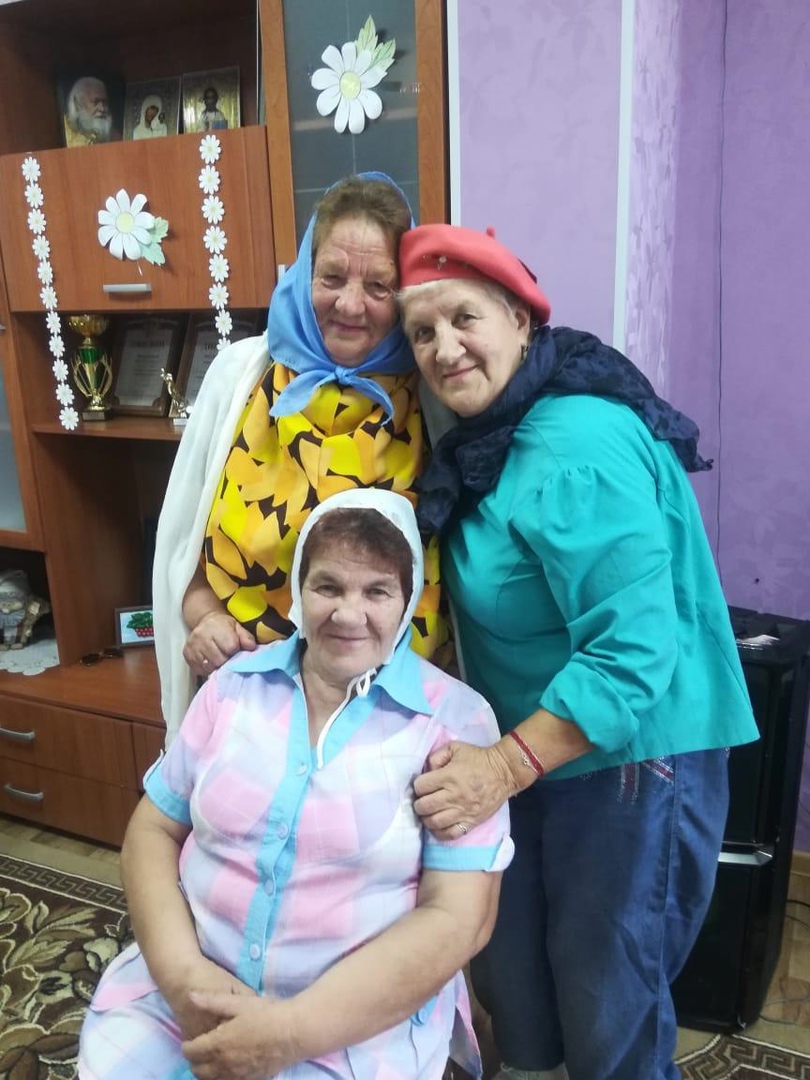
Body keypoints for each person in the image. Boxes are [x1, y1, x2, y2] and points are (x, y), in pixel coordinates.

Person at [396, 223, 759, 1080]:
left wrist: (499, 769)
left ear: (522, 320)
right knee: (522, 998)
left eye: (465, 318)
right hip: (538, 757)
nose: (444, 347)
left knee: (608, 1022)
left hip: (628, 762)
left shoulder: (574, 444)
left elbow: (632, 653)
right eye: (422, 331)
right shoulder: (486, 440)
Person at [78, 489, 513, 1080]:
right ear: (298, 591)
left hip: (353, 1029)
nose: (349, 614)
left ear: (408, 599)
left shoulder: (454, 723)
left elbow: (459, 918)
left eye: (377, 591)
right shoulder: (232, 686)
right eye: (328, 586)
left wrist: (286, 1034)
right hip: (184, 995)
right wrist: (184, 982)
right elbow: (152, 831)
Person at [153, 173, 446, 744]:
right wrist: (205, 619)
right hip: (248, 706)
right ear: (303, 274)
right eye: (331, 277)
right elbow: (182, 551)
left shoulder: (433, 397)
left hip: (389, 723)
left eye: (378, 286)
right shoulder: (240, 378)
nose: (350, 304)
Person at [64, 76, 120, 147]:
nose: (102, 108)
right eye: (96, 102)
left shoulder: (114, 136)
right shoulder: (64, 133)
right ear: (78, 103)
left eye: (104, 102)